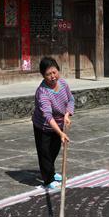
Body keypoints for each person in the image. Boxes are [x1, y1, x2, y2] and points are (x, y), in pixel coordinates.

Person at [32, 56, 74, 190]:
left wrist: (67, 114)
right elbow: (48, 117)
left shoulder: (63, 84)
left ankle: (52, 172)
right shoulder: (42, 92)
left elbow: (70, 100)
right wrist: (61, 133)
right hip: (43, 126)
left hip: (60, 123)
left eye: (54, 72)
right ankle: (48, 179)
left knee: (54, 150)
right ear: (43, 76)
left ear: (58, 71)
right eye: (48, 74)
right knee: (44, 153)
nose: (52, 76)